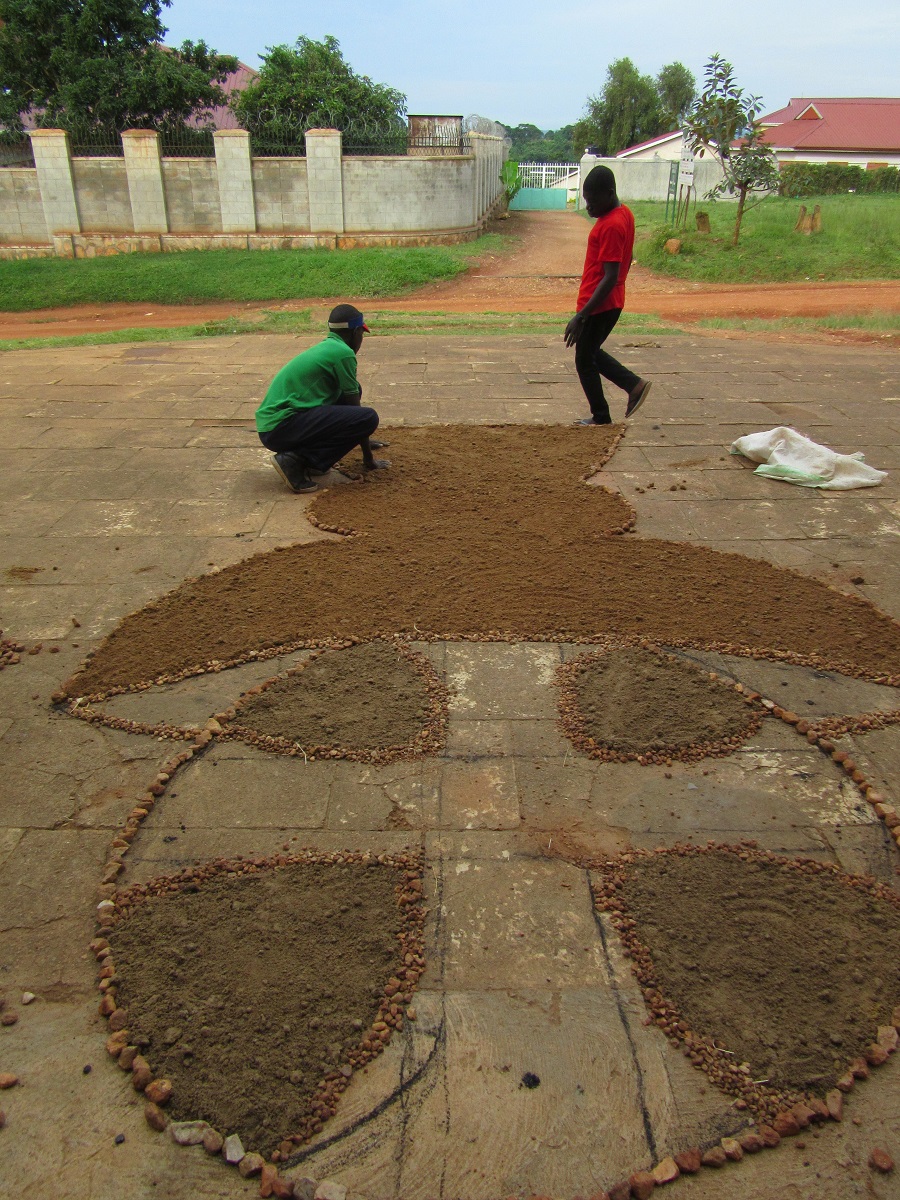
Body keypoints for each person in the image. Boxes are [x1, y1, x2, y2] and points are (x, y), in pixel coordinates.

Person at [255, 304, 389, 493]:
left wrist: (363, 437)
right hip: (280, 428)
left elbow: (350, 400)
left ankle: (313, 462)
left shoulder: (329, 347)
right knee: (368, 417)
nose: (361, 339)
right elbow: (357, 412)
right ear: (355, 332)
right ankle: (293, 460)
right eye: (362, 334)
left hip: (274, 426)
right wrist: (368, 458)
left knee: (353, 392)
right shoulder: (343, 353)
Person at [564, 165, 652, 425]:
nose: (588, 207)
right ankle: (634, 386)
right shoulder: (624, 214)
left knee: (584, 359)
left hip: (601, 303)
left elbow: (610, 276)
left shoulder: (612, 224)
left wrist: (582, 314)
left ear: (609, 193)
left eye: (592, 202)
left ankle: (601, 416)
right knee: (589, 353)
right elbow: (628, 257)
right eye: (586, 201)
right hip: (608, 301)